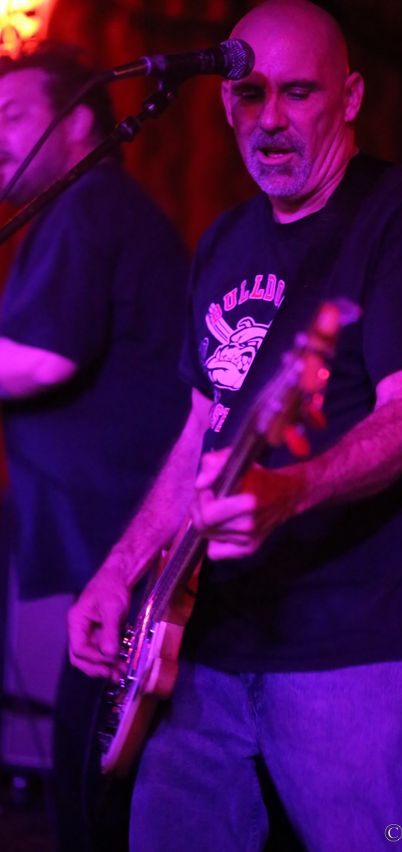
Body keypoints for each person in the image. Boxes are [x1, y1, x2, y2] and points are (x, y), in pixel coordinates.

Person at [69, 0, 402, 851]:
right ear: (224, 104)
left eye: (299, 92)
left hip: (344, 654)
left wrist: (290, 489)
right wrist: (119, 572)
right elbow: (201, 432)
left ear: (351, 96)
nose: (270, 120)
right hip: (200, 645)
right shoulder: (225, 240)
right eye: (249, 95)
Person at [0, 46, 190, 849]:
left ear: (78, 123)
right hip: (116, 542)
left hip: (131, 543)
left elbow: (45, 358)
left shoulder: (90, 203)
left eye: (12, 117)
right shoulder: (79, 208)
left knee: (92, 792)